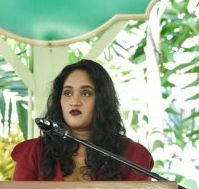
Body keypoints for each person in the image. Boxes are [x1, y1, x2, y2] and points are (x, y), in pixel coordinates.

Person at [11, 59, 154, 182]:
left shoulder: (134, 156)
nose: (74, 101)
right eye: (68, 93)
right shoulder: (32, 153)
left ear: (102, 101)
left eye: (86, 93)